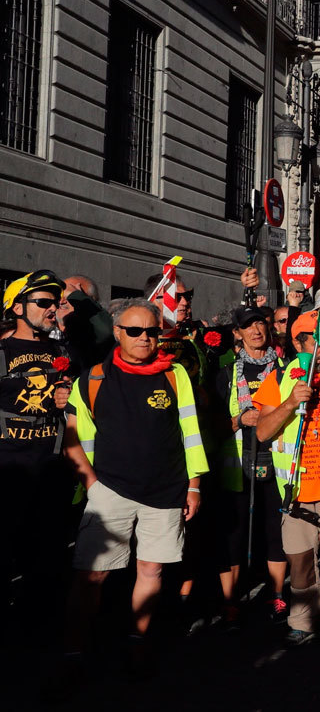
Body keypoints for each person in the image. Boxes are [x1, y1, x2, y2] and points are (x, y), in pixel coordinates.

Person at [63, 300, 208, 659]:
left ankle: (137, 643)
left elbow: (190, 431)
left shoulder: (175, 374)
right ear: (117, 333)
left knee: (151, 570)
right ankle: (74, 653)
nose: (144, 337)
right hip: (109, 491)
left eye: (152, 331)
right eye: (134, 330)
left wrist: (193, 485)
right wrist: (93, 485)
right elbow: (73, 439)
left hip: (166, 490)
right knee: (91, 575)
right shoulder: (93, 378)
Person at [253, 311, 320, 646]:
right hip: (296, 493)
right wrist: (290, 403)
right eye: (316, 340)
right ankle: (303, 621)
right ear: (298, 342)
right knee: (300, 564)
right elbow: (262, 432)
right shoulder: (279, 378)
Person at [1, 271, 75, 630]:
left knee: (47, 555)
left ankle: (38, 626)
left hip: (51, 468)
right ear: (17, 308)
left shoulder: (62, 351)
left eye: (55, 302)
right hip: (8, 470)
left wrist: (68, 397)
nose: (52, 309)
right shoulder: (2, 351)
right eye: (43, 302)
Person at [214, 306, 288, 623]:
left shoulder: (285, 369)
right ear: (237, 333)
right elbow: (213, 425)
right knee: (234, 533)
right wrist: (240, 419)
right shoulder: (227, 372)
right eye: (248, 326)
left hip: (276, 459)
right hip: (237, 464)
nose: (256, 330)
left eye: (260, 324)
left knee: (276, 531)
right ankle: (230, 600)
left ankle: (277, 595)